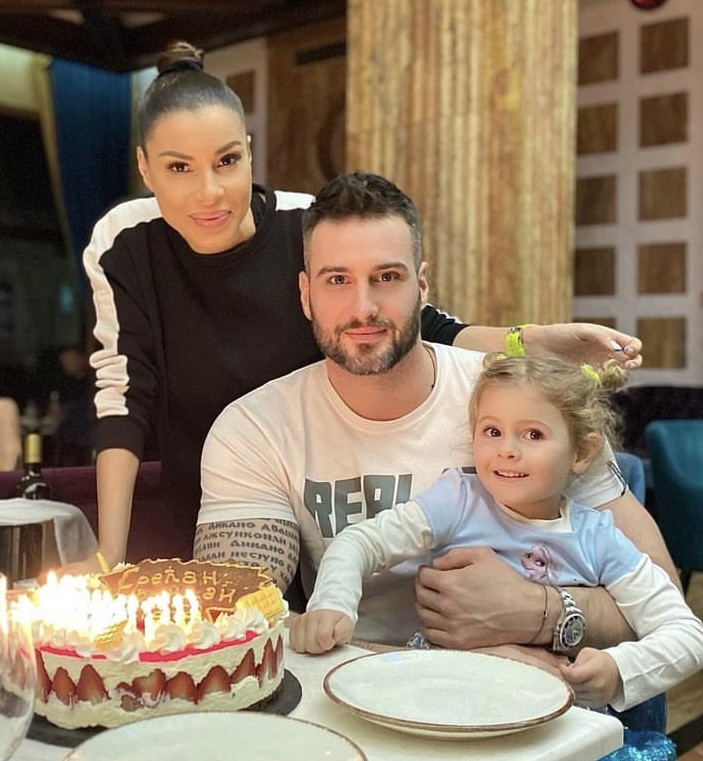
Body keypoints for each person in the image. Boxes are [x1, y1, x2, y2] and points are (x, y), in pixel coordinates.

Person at [82, 41, 643, 574]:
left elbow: (410, 322)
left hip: (325, 480)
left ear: (249, 152)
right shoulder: (125, 240)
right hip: (228, 488)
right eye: (179, 168)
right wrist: (109, 555)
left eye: (227, 160)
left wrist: (532, 341)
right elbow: (124, 394)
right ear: (145, 167)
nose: (209, 191)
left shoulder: (305, 223)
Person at [289, 353, 703, 761]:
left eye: (533, 435)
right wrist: (333, 604)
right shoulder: (458, 501)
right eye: (492, 431)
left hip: (567, 737)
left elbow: (688, 635)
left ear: (582, 452)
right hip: (470, 732)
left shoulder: (600, 538)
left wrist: (619, 669)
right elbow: (358, 542)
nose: (507, 450)